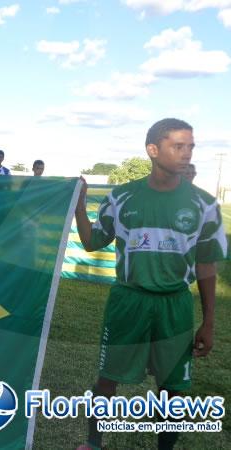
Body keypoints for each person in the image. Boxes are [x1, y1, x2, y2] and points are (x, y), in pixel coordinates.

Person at [75, 118, 228, 450]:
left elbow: (206, 266)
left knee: (173, 388)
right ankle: (92, 444)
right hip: (129, 301)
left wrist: (209, 322)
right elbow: (91, 242)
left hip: (175, 304)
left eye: (191, 146)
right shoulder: (122, 197)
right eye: (178, 146)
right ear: (153, 150)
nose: (186, 153)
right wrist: (78, 207)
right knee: (107, 379)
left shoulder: (205, 205)